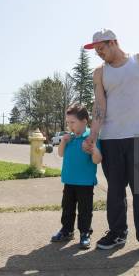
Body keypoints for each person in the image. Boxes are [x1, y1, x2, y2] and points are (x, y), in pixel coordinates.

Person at [82, 29, 139, 261]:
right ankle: (118, 233)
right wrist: (94, 134)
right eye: (96, 50)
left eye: (101, 48)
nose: (99, 54)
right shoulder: (100, 73)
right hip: (111, 139)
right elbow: (99, 105)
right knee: (115, 191)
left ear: (113, 42)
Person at [51, 104, 102, 249]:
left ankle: (85, 233)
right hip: (69, 180)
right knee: (67, 208)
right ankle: (67, 230)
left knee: (85, 210)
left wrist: (93, 150)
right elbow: (60, 154)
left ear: (85, 121)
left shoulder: (91, 137)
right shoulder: (69, 138)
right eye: (68, 122)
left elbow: (97, 160)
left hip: (85, 183)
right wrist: (63, 141)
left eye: (72, 122)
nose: (70, 125)